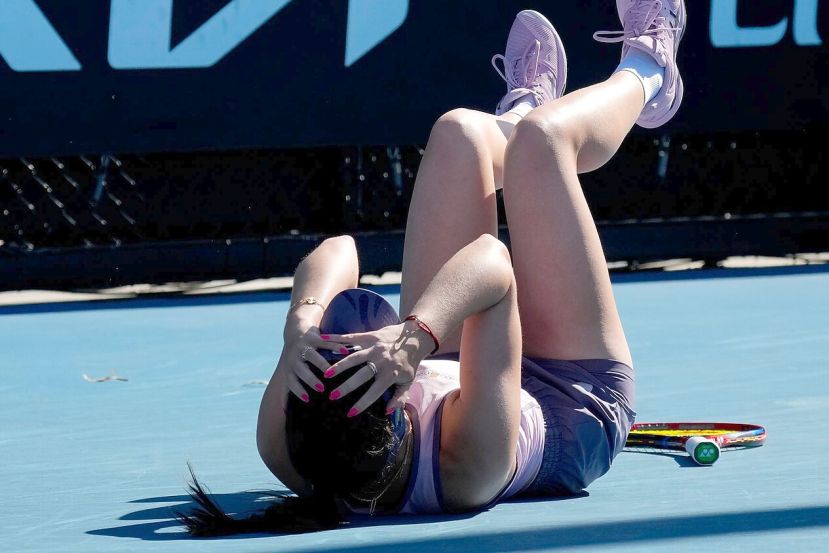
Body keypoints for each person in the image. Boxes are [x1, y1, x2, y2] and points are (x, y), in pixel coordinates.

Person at [180, 0, 686, 535]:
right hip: (569, 398)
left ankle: (513, 117)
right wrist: (414, 339)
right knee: (544, 142)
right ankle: (650, 72)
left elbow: (338, 250)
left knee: (458, 133)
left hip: (457, 363)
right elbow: (493, 266)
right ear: (402, 409)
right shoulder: (467, 465)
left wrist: (299, 329)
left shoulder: (282, 446)